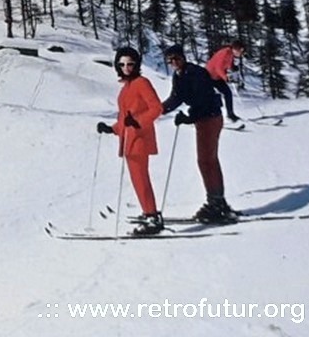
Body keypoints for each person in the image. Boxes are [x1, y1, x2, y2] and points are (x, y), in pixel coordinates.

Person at [160, 44, 236, 224]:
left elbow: (203, 98)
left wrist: (188, 118)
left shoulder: (195, 73)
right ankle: (217, 202)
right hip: (203, 119)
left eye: (176, 58)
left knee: (207, 160)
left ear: (183, 57)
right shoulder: (178, 76)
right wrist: (158, 110)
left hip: (210, 117)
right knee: (207, 160)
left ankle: (217, 203)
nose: (174, 63)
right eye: (170, 60)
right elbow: (176, 97)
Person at [96, 46, 164, 236]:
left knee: (140, 178)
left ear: (137, 65)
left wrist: (138, 122)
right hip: (129, 140)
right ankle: (149, 212)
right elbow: (124, 119)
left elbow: (156, 108)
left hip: (139, 139)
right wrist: (112, 129)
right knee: (137, 179)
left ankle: (151, 216)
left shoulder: (142, 82)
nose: (126, 67)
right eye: (122, 64)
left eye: (130, 64)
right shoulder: (126, 86)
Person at [206, 40, 246, 122]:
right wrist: (226, 77)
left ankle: (230, 114)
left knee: (228, 93)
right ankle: (206, 118)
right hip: (208, 77)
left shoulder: (230, 54)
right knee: (211, 97)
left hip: (217, 77)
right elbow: (218, 68)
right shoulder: (225, 53)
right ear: (235, 49)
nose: (241, 53)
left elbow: (228, 63)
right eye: (240, 51)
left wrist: (232, 67)